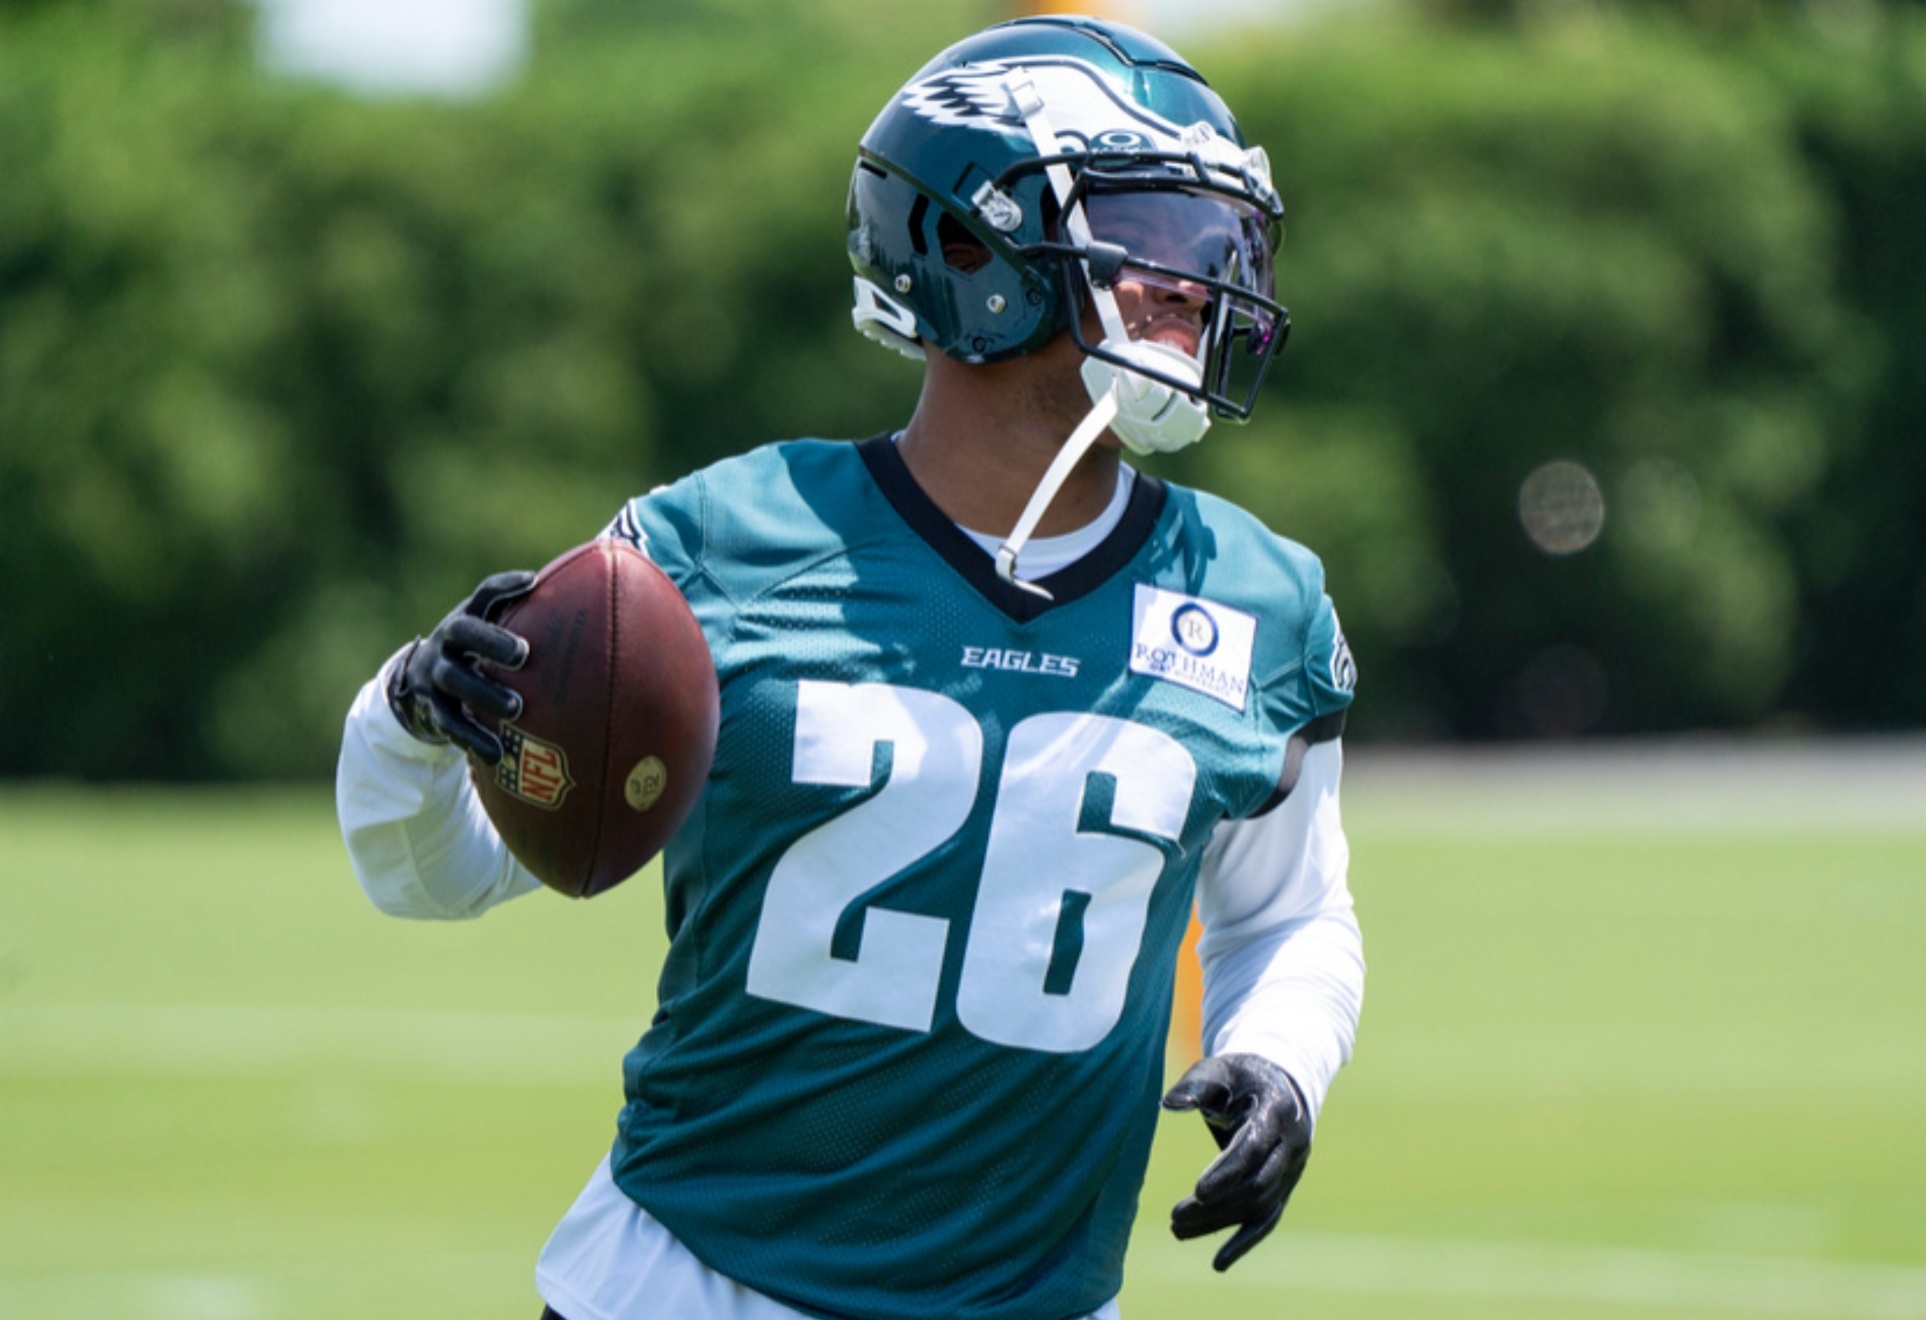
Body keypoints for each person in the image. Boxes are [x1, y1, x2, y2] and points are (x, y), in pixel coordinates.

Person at [335, 15, 1364, 1320]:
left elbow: (1287, 910)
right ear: (968, 241)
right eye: (1149, 231)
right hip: (687, 1290)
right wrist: (412, 721)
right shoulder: (717, 544)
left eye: (1216, 244)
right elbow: (437, 880)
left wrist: (1277, 1056)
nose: (1196, 283)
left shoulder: (1260, 600)